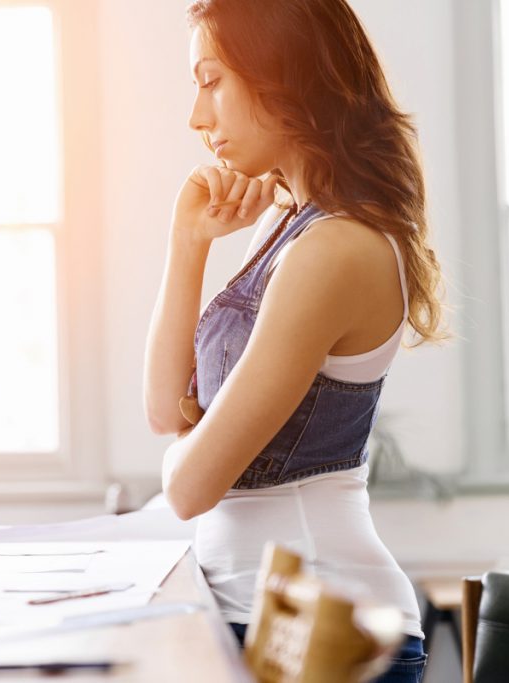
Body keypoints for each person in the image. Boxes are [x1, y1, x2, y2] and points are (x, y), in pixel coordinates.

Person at [142, 1, 445, 681]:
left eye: (212, 80)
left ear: (285, 76)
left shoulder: (336, 248)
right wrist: (186, 243)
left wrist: (175, 463)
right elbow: (167, 410)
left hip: (321, 630)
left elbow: (189, 487)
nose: (198, 115)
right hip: (254, 613)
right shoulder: (289, 225)